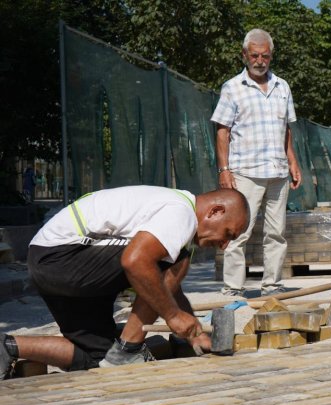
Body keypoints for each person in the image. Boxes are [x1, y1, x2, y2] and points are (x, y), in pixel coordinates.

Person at [0, 186, 249, 379]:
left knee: (98, 356)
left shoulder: (174, 214)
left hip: (51, 264)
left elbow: (167, 288)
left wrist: (194, 334)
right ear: (215, 211)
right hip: (61, 255)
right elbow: (136, 261)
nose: (224, 244)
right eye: (228, 233)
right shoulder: (181, 211)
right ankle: (130, 350)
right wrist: (173, 316)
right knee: (170, 260)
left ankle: (9, 346)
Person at [211, 28, 302, 297]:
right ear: (244, 55)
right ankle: (233, 289)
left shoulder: (282, 86)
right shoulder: (232, 88)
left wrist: (293, 163)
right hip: (245, 174)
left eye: (265, 56)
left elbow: (286, 129)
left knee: (276, 234)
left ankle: (272, 285)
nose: (259, 60)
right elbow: (222, 131)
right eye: (254, 55)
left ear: (271, 56)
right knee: (238, 233)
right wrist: (224, 170)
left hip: (277, 172)